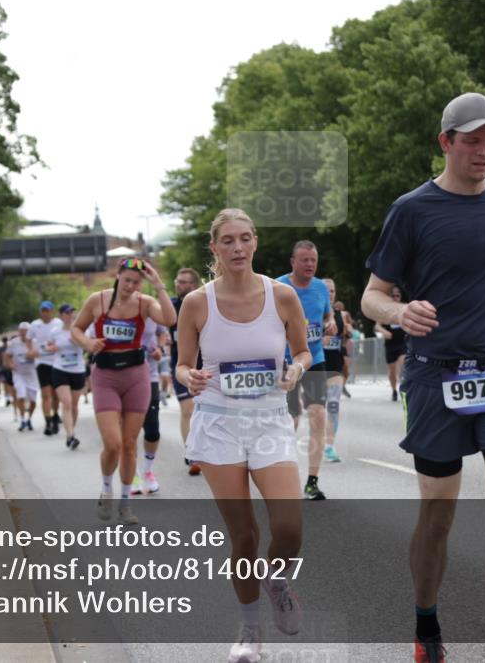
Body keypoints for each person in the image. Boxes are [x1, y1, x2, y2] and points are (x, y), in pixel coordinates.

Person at [360, 92, 485, 663]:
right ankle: (426, 623)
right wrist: (400, 313)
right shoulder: (412, 209)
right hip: (435, 376)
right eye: (473, 139)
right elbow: (372, 296)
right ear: (445, 142)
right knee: (438, 517)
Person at [175, 208, 309, 663]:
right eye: (227, 240)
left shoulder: (282, 296)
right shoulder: (197, 302)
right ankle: (250, 631)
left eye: (245, 238)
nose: (237, 247)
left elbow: (304, 350)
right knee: (245, 536)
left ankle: (275, 579)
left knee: (289, 528)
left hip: (270, 418)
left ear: (255, 243)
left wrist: (296, 368)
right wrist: (187, 377)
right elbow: (181, 363)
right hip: (218, 423)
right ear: (214, 248)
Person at [71, 257, 176, 525]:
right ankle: (107, 488)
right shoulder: (98, 300)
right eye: (127, 280)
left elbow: (170, 319)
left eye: (136, 282)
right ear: (118, 276)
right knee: (113, 444)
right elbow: (76, 328)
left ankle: (126, 503)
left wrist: (159, 285)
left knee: (129, 445)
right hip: (105, 376)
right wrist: (88, 342)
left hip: (136, 376)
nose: (130, 286)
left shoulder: (145, 303)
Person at [278, 240, 336, 501]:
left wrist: (331, 322)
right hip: (286, 362)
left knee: (318, 415)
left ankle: (312, 481)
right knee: (290, 421)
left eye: (313, 260)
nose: (310, 264)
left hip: (314, 359)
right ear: (293, 262)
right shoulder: (278, 287)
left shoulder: (321, 287)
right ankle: (283, 475)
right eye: (304, 260)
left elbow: (327, 315)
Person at [168, 267, 203, 475]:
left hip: (207, 365)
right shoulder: (171, 307)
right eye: (177, 281)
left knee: (205, 411)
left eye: (183, 282)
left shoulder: (203, 304)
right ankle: (191, 454)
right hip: (181, 365)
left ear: (193, 285)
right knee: (188, 409)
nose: (178, 285)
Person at [132, 318, 167, 494]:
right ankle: (132, 475)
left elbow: (163, 332)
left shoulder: (152, 310)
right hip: (126, 378)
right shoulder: (117, 310)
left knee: (152, 430)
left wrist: (160, 349)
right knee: (128, 433)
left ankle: (147, 470)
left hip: (150, 377)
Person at [48, 304, 88, 449]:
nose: (70, 314)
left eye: (72, 312)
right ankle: (71, 435)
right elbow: (49, 346)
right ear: (61, 316)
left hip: (78, 370)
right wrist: (51, 348)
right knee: (66, 403)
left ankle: (70, 432)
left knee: (74, 405)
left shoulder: (81, 329)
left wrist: (77, 341)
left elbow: (87, 347)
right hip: (60, 369)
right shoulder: (54, 331)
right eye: (67, 312)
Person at [321, 278, 349, 462]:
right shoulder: (312, 311)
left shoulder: (340, 314)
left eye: (332, 291)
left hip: (335, 365)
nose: (330, 294)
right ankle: (316, 436)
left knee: (333, 405)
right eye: (326, 290)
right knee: (317, 408)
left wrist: (343, 338)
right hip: (316, 365)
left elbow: (344, 337)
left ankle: (329, 446)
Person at [29, 301, 63, 436]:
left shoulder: (58, 324)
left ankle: (55, 416)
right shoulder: (34, 325)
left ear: (52, 311)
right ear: (40, 312)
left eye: (47, 310)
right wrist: (31, 350)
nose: (45, 313)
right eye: (43, 310)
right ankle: (48, 422)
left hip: (57, 362)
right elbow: (28, 340)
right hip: (42, 362)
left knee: (56, 395)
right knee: (46, 394)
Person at [374, 286, 408, 402]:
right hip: (390, 344)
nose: (395, 298)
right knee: (392, 371)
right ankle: (394, 390)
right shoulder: (385, 310)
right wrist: (384, 332)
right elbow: (377, 326)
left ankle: (403, 388)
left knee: (403, 363)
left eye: (397, 295)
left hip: (402, 343)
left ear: (400, 296)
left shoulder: (404, 307)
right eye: (393, 296)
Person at [5, 322, 38, 431]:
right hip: (18, 374)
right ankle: (23, 419)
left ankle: (29, 419)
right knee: (21, 396)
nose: (23, 333)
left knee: (33, 400)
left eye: (26, 331)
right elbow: (7, 356)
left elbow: (39, 355)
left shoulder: (34, 342)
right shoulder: (14, 343)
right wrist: (10, 364)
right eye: (21, 331)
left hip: (31, 375)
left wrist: (32, 354)